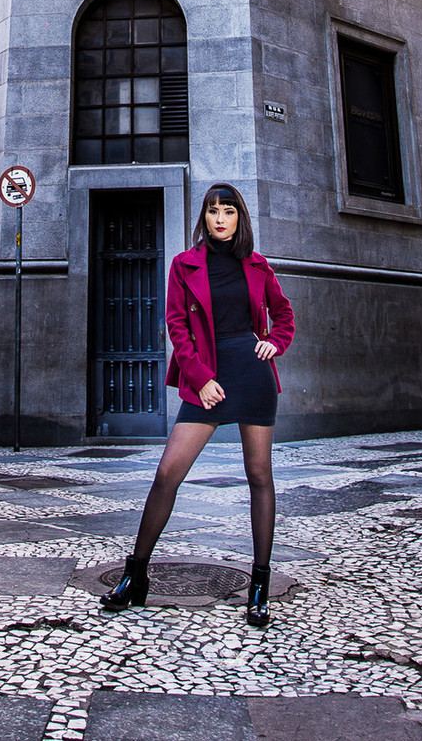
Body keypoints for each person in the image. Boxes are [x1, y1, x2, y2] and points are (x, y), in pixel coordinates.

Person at [99, 183, 295, 628]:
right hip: (207, 375)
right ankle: (137, 574)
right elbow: (176, 326)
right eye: (213, 211)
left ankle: (259, 584)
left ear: (239, 218)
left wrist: (274, 344)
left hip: (251, 373)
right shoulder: (184, 265)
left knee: (259, 475)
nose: (221, 218)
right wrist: (201, 378)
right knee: (167, 474)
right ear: (203, 218)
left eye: (229, 211)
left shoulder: (257, 265)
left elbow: (284, 315)